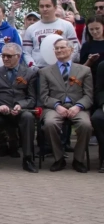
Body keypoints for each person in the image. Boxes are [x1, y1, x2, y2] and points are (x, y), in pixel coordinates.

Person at [0, 43, 38, 173]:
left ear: (18, 56)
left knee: (29, 117)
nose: (5, 59)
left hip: (19, 112)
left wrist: (21, 105)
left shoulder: (29, 73)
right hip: (1, 113)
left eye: (9, 56)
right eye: (3, 56)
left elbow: (32, 98)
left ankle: (28, 158)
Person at [40, 38, 94, 173]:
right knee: (50, 123)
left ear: (71, 49)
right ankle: (59, 159)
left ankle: (78, 159)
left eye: (62, 47)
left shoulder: (84, 70)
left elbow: (88, 95)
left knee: (85, 125)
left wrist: (78, 107)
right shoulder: (45, 72)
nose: (59, 50)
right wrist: (57, 105)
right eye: (56, 48)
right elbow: (43, 96)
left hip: (77, 106)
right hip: (54, 107)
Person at [23, 0, 80, 68]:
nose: (44, 9)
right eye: (41, 6)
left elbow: (74, 48)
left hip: (61, 68)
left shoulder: (67, 25)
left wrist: (65, 64)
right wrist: (33, 66)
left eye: (48, 6)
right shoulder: (31, 29)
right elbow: (26, 52)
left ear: (55, 7)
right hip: (39, 68)